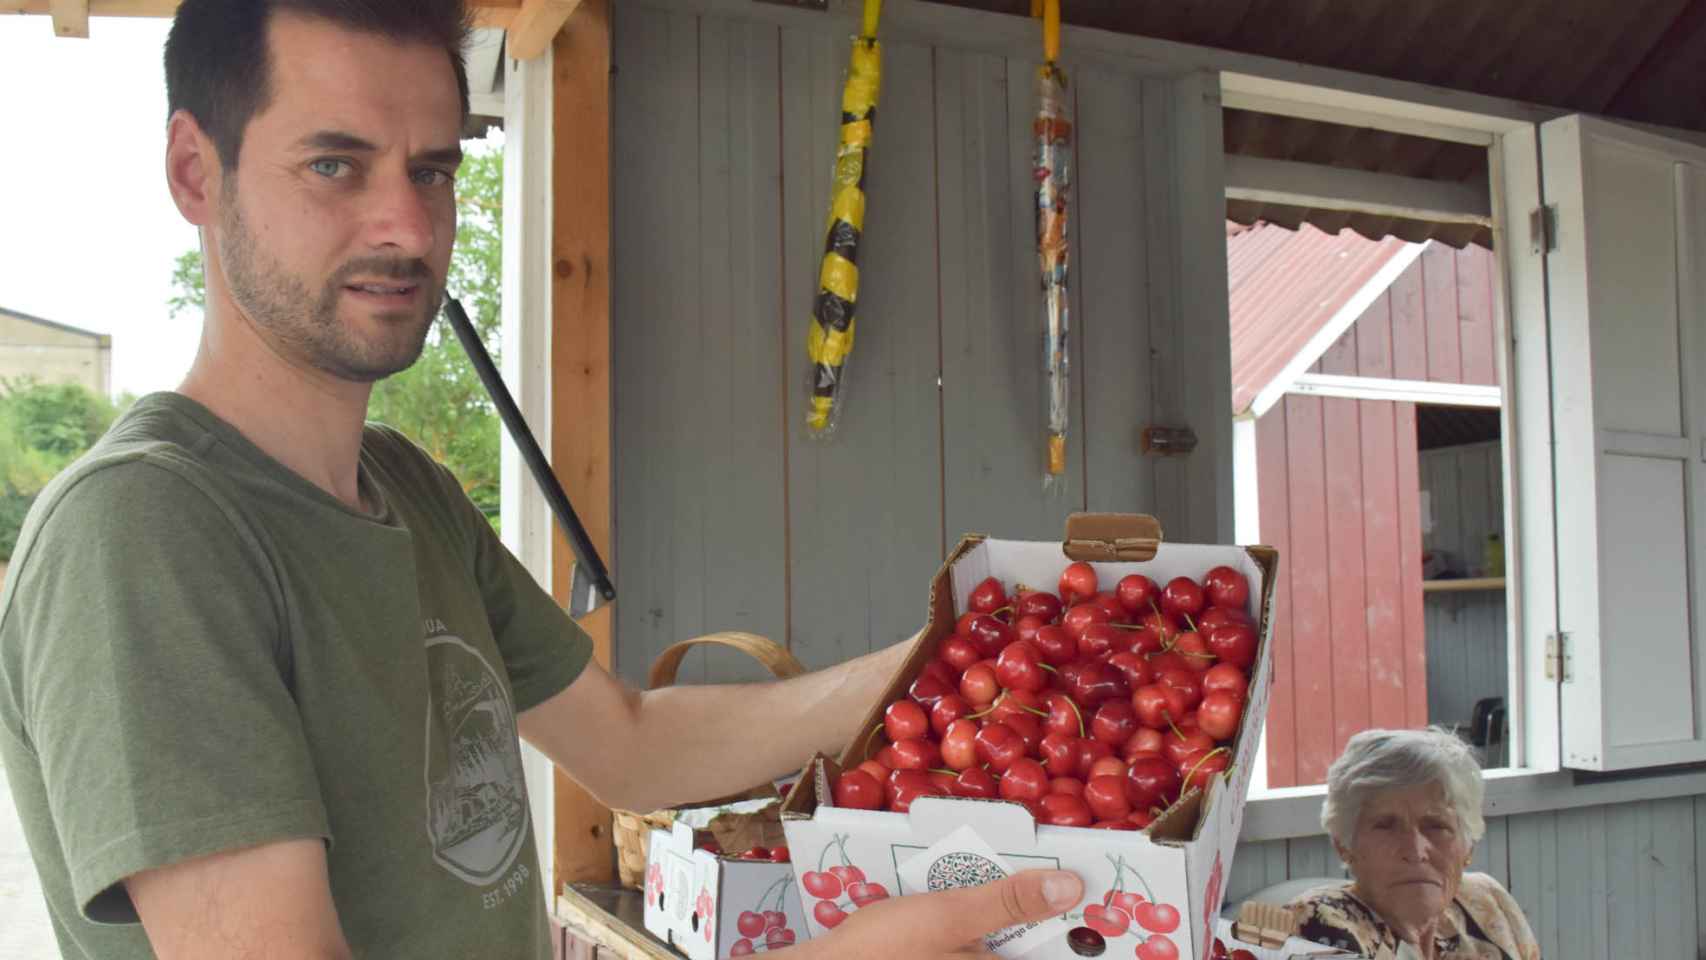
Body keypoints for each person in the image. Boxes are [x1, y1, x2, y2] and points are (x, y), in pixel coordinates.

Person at [0, 2, 1083, 957]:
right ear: (196, 172)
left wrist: (961, 653)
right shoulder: (141, 530)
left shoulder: (410, 489)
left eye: (432, 169)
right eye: (334, 165)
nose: (408, 226)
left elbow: (632, 745)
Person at [1287, 729, 1539, 960]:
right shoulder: (1314, 922)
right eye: (1386, 825)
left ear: (1468, 847)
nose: (1415, 851)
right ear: (1343, 845)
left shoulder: (1488, 902)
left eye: (1436, 826)